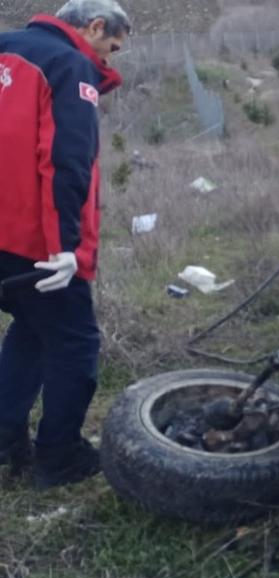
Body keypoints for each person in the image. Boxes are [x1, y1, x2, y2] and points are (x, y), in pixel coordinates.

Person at [0, 0, 130, 488]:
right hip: (35, 241)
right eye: (110, 47)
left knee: (32, 329)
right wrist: (68, 249)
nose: (109, 61)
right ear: (94, 26)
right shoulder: (67, 64)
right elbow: (64, 160)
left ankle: (4, 437)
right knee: (75, 343)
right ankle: (60, 456)